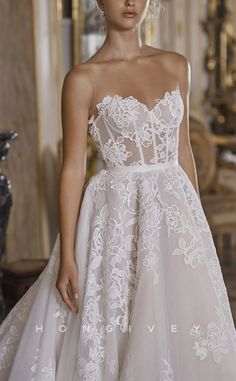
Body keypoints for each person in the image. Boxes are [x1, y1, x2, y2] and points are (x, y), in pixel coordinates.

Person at [1, 0, 236, 380]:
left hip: (173, 219)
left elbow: (182, 152)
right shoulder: (82, 78)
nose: (129, 2)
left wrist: (197, 227)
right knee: (119, 324)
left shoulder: (177, 65)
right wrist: (68, 259)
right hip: (115, 219)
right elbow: (73, 169)